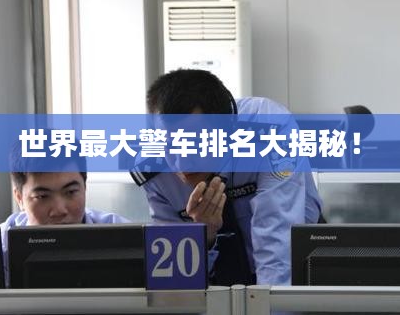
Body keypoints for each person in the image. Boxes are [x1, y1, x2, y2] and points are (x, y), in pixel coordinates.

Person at [131, 69, 323, 286]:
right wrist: (203, 236)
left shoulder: (271, 131)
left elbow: (277, 247)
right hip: (219, 280)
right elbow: (176, 275)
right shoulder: (152, 168)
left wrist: (267, 306)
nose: (182, 163)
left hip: (299, 266)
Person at [0, 139, 129, 286]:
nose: (59, 210)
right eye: (42, 196)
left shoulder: (122, 235)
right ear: (19, 198)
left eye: (71, 192)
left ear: (85, 188)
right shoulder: (0, 248)